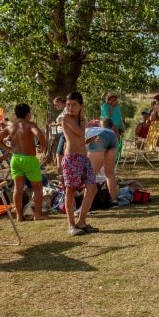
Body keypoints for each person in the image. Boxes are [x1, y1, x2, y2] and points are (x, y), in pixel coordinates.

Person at [0, 104, 48, 222]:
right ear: (28, 115)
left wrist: (9, 150)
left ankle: (19, 216)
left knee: (17, 188)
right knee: (37, 188)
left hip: (15, 159)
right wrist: (43, 148)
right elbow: (39, 134)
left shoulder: (11, 127)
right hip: (29, 159)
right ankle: (37, 214)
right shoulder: (30, 125)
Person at [61, 91, 100, 236]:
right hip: (71, 158)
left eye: (74, 105)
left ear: (81, 106)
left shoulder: (80, 120)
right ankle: (71, 225)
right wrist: (83, 122)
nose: (70, 107)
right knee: (70, 191)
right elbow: (80, 132)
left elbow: (81, 140)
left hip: (83, 158)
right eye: (68, 104)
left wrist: (91, 140)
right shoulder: (66, 118)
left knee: (92, 188)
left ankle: (82, 221)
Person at [86, 118, 119, 203]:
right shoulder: (111, 132)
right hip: (113, 138)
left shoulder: (87, 130)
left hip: (99, 137)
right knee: (110, 172)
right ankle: (114, 199)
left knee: (91, 174)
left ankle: (87, 204)